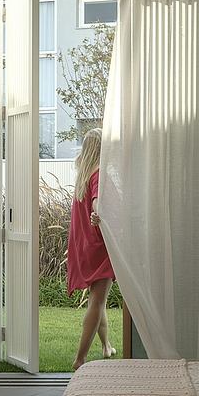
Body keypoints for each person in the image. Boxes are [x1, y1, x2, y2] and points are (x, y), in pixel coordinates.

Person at [66, 127, 117, 371]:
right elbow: (97, 203)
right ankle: (80, 359)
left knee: (98, 300)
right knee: (97, 301)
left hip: (84, 245)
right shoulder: (99, 174)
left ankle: (107, 346)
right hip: (99, 247)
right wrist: (99, 213)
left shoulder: (83, 176)